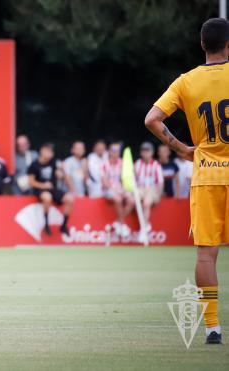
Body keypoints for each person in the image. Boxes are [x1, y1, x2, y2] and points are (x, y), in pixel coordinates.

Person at [144, 18, 229, 344]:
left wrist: (181, 149)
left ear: (202, 45)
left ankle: (212, 327)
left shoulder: (186, 81)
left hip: (207, 173)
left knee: (206, 256)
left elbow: (152, 119)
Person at [27, 143, 74, 236]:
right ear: (42, 151)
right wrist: (43, 185)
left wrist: (62, 170)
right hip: (40, 189)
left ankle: (64, 225)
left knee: (70, 198)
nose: (49, 153)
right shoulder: (34, 164)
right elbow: (31, 182)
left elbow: (59, 175)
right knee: (47, 197)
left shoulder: (53, 162)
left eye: (51, 151)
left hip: (53, 189)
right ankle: (46, 223)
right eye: (47, 151)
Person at [101, 142, 134, 237]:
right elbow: (104, 182)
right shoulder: (104, 164)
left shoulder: (122, 163)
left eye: (118, 151)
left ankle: (119, 222)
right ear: (109, 152)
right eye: (113, 151)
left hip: (121, 189)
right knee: (118, 199)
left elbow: (127, 179)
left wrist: (123, 190)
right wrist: (115, 189)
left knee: (131, 200)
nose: (116, 153)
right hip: (108, 190)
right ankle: (121, 224)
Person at [134, 142, 164, 231]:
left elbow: (160, 182)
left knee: (146, 203)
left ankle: (144, 227)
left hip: (152, 190)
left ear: (152, 152)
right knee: (131, 200)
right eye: (143, 151)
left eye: (147, 151)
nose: (145, 153)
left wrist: (158, 195)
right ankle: (145, 225)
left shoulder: (156, 164)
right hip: (140, 189)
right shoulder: (137, 163)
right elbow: (133, 180)